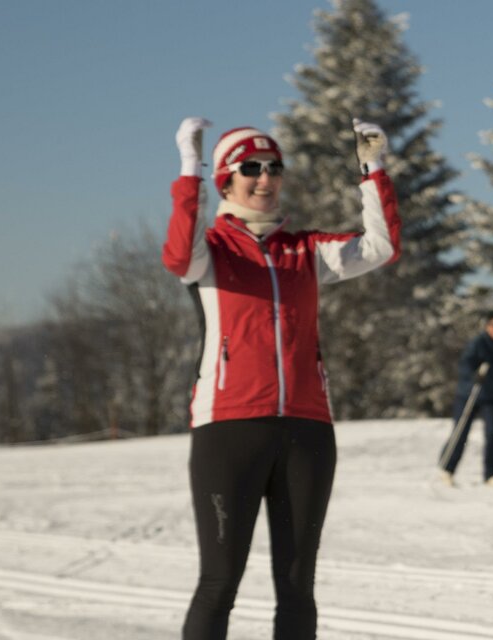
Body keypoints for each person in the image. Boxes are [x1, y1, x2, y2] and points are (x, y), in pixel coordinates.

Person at [163, 116, 399, 639]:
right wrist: (188, 169)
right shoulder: (211, 252)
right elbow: (177, 255)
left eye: (274, 168)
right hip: (229, 429)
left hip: (307, 430)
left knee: (297, 587)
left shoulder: (306, 250)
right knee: (219, 581)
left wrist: (372, 168)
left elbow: (380, 248)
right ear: (226, 177)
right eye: (251, 168)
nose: (265, 178)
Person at [438, 311, 493, 487]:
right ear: (487, 326)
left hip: (492, 397)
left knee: (492, 434)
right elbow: (465, 365)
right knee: (461, 432)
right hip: (469, 395)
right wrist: (475, 374)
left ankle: (491, 475)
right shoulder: (478, 344)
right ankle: (447, 468)